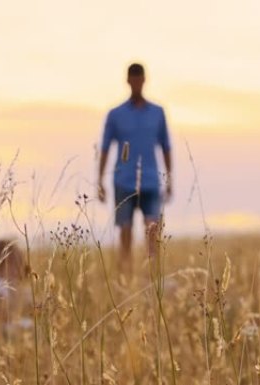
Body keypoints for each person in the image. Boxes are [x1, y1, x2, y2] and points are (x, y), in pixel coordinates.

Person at [97, 63, 172, 277]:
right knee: (125, 234)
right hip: (123, 181)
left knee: (152, 232)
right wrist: (100, 181)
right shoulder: (115, 114)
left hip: (150, 181)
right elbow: (104, 148)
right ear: (128, 80)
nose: (137, 83)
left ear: (144, 80)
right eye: (134, 79)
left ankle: (153, 279)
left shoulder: (157, 113)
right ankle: (125, 279)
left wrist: (170, 180)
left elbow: (166, 147)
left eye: (140, 79)